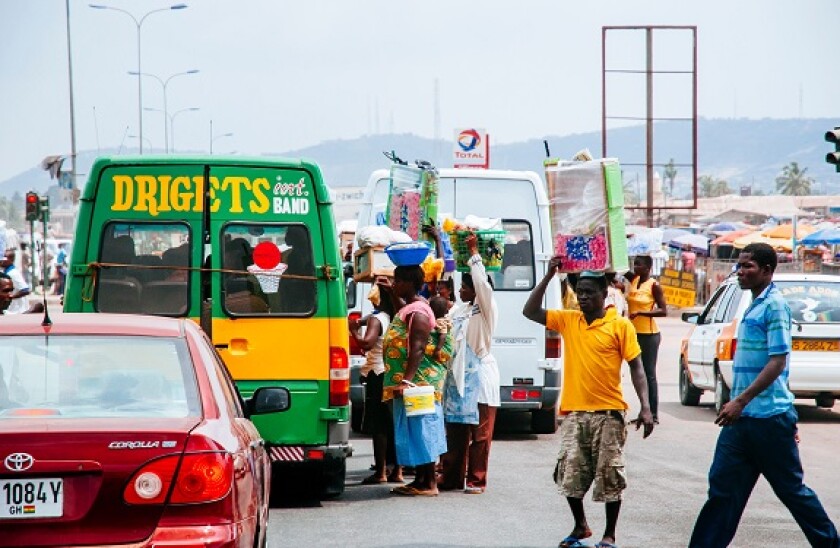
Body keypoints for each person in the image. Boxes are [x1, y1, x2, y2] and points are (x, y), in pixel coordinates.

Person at [689, 243, 839, 548]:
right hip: (741, 423)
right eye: (739, 266)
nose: (741, 272)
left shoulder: (775, 306)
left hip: (769, 420)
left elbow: (777, 361)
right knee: (723, 492)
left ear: (768, 271)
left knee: (792, 492)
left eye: (748, 267)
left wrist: (740, 400)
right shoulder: (753, 304)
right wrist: (740, 405)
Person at [523, 261, 654, 548]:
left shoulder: (620, 325)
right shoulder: (569, 320)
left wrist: (645, 407)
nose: (582, 297)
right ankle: (580, 525)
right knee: (569, 474)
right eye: (579, 292)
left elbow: (638, 368)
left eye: (588, 293)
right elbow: (530, 311)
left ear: (604, 293)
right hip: (574, 413)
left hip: (609, 413)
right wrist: (548, 275)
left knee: (610, 475)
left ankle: (609, 534)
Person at [380, 264, 451, 496]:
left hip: (417, 384)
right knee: (414, 429)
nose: (395, 284)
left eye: (398, 281)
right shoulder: (412, 308)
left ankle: (429, 483)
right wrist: (391, 294)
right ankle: (420, 479)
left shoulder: (419, 311)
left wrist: (407, 381)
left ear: (409, 283)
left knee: (422, 429)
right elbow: (404, 316)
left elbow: (418, 347)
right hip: (413, 384)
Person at [439, 234, 501, 495]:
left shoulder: (485, 309)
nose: (460, 291)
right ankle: (452, 477)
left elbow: (482, 285)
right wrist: (442, 246)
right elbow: (450, 275)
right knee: (455, 429)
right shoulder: (459, 310)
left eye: (465, 287)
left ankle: (476, 479)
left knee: (481, 432)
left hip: (481, 377)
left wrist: (474, 253)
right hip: (457, 378)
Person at [348, 282, 402, 485]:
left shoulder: (376, 319)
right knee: (392, 423)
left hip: (376, 374)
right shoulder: (392, 316)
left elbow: (367, 343)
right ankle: (397, 470)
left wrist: (354, 332)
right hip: (389, 371)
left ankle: (381, 472)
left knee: (378, 426)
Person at [625, 255, 667, 424]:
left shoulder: (654, 285)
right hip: (633, 333)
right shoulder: (634, 280)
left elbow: (663, 311)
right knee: (637, 372)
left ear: (649, 267)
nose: (635, 267)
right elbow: (616, 268)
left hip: (649, 335)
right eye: (634, 263)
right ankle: (644, 410)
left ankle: (653, 414)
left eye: (639, 264)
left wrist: (641, 313)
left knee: (648, 373)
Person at [1, 249, 31, 314]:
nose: (2, 260)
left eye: (4, 258)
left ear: (11, 260)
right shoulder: (6, 272)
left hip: (16, 310)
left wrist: (10, 297)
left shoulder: (13, 273)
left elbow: (25, 290)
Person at [428, 295, 452, 362]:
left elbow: (443, 336)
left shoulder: (441, 321)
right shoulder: (443, 320)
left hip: (441, 349)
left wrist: (437, 349)